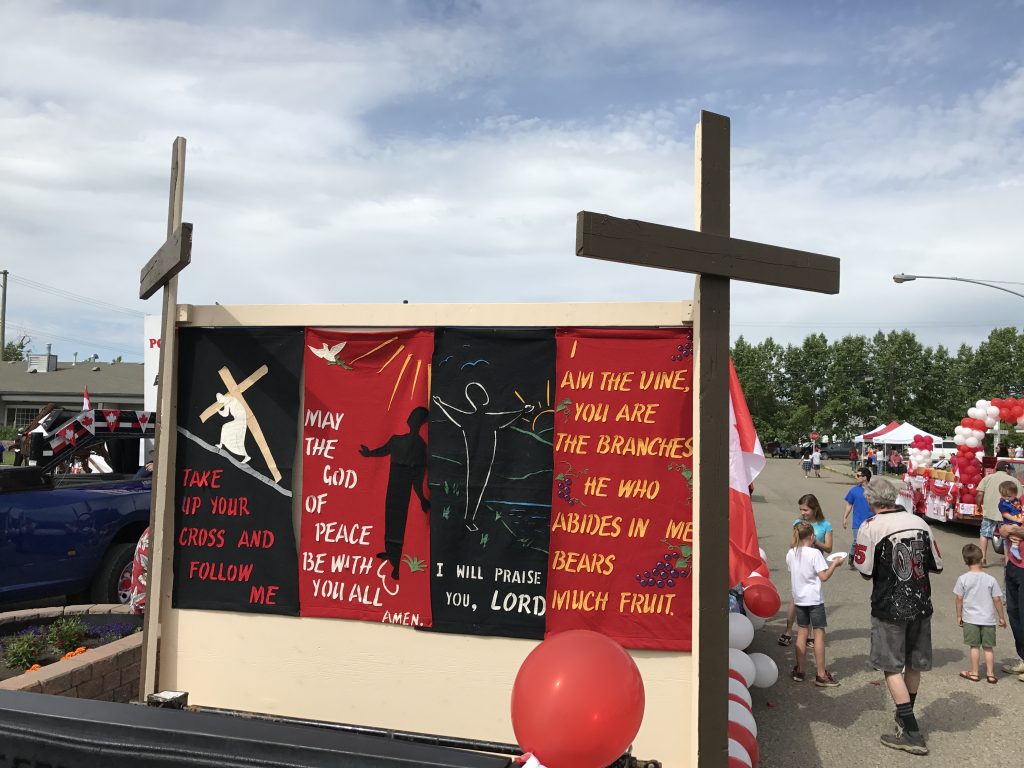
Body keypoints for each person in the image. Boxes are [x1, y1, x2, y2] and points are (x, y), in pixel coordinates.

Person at [854, 477, 943, 756]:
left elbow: (864, 568)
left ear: (871, 500)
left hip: (889, 605)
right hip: (920, 603)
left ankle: (912, 731)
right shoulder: (920, 523)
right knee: (913, 664)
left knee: (891, 666)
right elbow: (936, 564)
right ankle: (905, 716)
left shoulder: (871, 527)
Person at [359, 407, 430, 578]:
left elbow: (417, 476)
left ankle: (397, 564)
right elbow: (383, 451)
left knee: (398, 521)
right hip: (395, 485)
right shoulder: (406, 442)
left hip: (402, 486)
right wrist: (369, 454)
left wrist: (421, 497)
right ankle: (391, 553)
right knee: (392, 519)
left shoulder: (418, 446)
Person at [786, 521, 843, 686]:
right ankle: (820, 674)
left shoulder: (791, 553)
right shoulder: (815, 554)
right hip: (814, 599)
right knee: (819, 634)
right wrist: (834, 564)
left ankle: (800, 670)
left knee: (802, 632)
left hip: (799, 598)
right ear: (812, 537)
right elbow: (823, 577)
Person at [779, 494, 833, 646]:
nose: (803, 513)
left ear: (815, 509)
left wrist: (816, 541)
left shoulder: (825, 525)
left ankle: (809, 634)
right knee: (795, 598)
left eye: (806, 510)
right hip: (801, 565)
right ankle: (788, 630)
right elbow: (793, 542)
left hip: (816, 567)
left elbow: (829, 548)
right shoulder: (798, 523)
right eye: (801, 509)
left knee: (812, 600)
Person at [954, 542, 1005, 683]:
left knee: (974, 647)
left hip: (971, 619)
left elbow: (959, 599)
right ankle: (990, 674)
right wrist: (1001, 618)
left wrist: (959, 616)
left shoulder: (963, 579)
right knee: (988, 648)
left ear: (965, 561)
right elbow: (997, 600)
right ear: (982, 558)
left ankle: (975, 673)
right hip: (988, 619)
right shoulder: (990, 579)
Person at [977, 462, 1022, 567]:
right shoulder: (1015, 481)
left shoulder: (987, 478)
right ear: (1007, 470)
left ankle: (982, 558)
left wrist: (979, 507)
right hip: (1007, 516)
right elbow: (1020, 499)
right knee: (1006, 538)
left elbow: (979, 494)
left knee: (984, 534)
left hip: (990, 513)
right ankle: (1008, 561)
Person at [997, 522, 1024, 678]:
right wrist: (1007, 530)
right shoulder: (1018, 503)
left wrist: (1013, 530)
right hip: (1014, 565)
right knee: (1014, 613)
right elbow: (1001, 528)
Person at [842, 467, 873, 570]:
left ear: (865, 477)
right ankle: (851, 556)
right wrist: (845, 518)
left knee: (871, 542)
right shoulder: (854, 490)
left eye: (858, 475)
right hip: (858, 522)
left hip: (872, 521)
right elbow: (849, 504)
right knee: (857, 541)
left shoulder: (874, 490)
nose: (856, 477)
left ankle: (869, 562)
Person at [998, 480, 1024, 562]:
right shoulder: (1003, 503)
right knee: (1015, 531)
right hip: (1011, 521)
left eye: (1009, 496)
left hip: (1017, 521)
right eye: (1004, 495)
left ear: (1015, 494)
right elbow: (1005, 514)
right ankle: (1014, 547)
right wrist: (1016, 519)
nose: (1006, 498)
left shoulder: (1016, 500)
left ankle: (1014, 547)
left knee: (1016, 532)